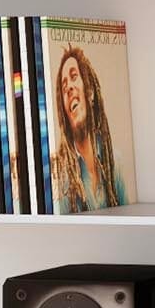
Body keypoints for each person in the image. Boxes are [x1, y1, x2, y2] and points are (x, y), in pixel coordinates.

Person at [50, 44, 127, 211]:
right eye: (64, 87)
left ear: (90, 92)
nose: (69, 87)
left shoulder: (115, 163)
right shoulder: (61, 180)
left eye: (74, 76)